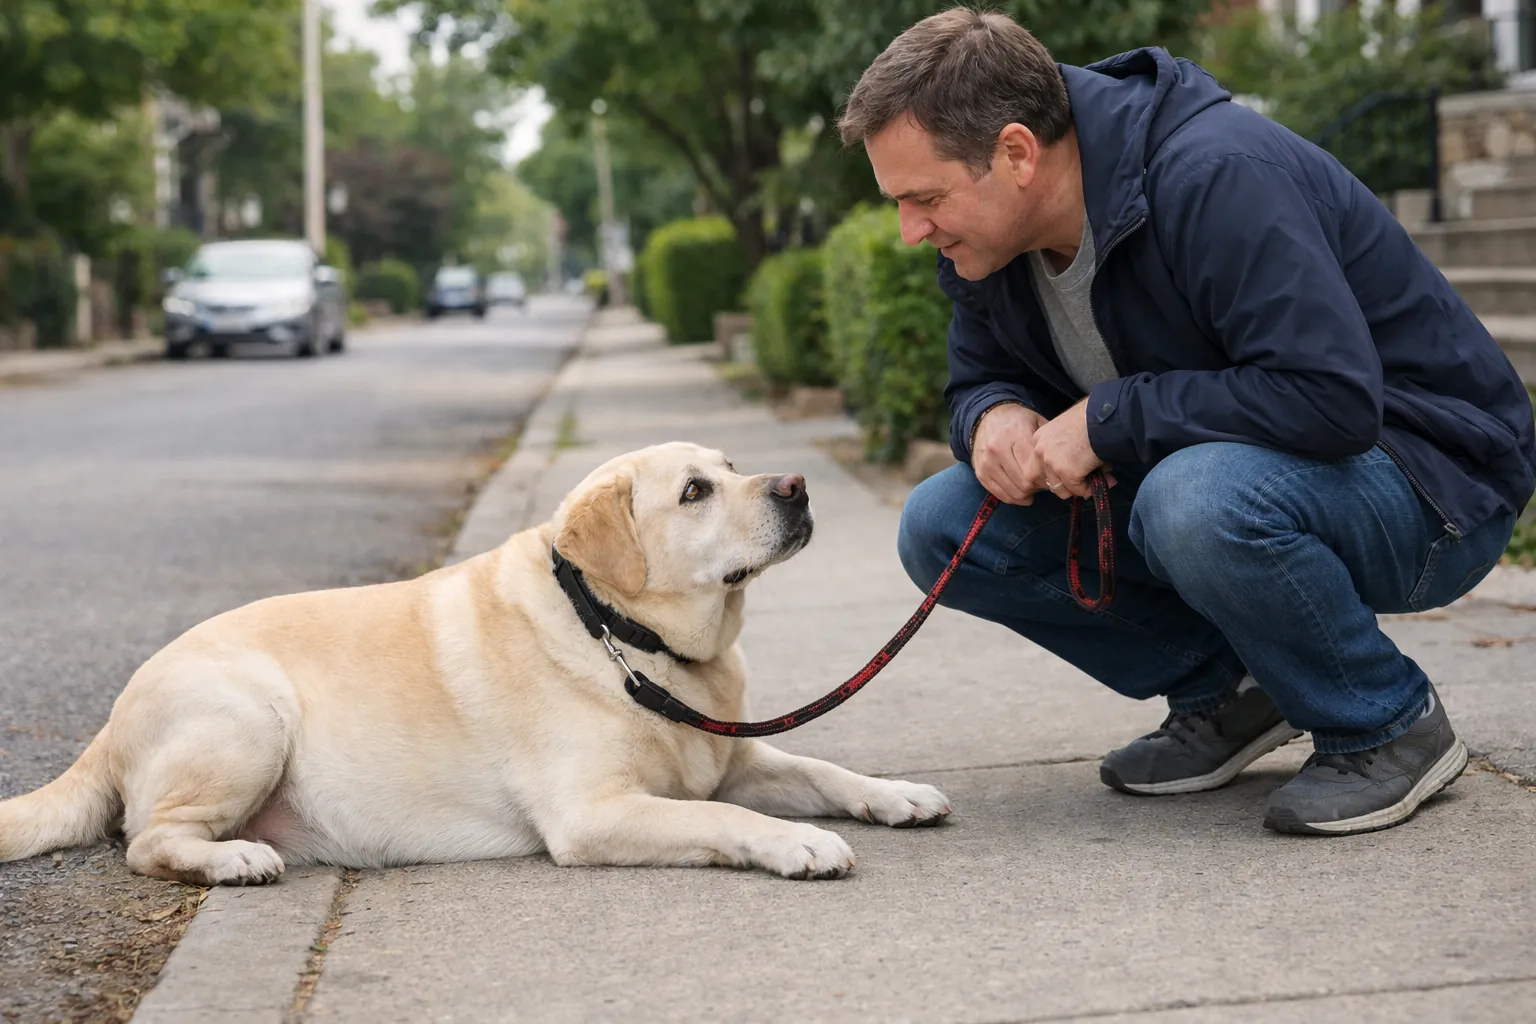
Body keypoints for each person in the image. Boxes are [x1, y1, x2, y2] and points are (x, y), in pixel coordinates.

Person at [836, 7, 1535, 835]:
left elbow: (1332, 397)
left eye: (925, 198)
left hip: (1432, 484)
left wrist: (1107, 416)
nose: (912, 230)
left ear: (1017, 153)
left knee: (1190, 500)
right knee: (943, 525)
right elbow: (979, 376)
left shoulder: (1214, 173)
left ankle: (1384, 722)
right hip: (1240, 475)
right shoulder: (989, 244)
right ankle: (1233, 692)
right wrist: (993, 417)